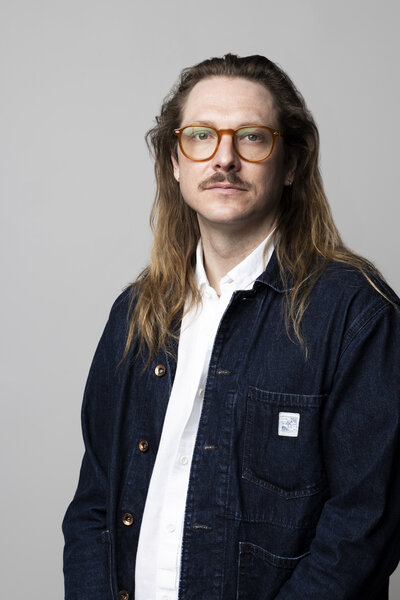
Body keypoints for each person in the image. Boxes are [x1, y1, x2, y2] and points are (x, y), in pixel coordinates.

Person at [62, 53, 400, 600]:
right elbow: (94, 507)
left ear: (289, 164)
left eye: (251, 138)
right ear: (175, 162)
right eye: (200, 136)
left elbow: (365, 529)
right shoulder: (137, 313)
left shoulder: (356, 313)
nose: (224, 158)